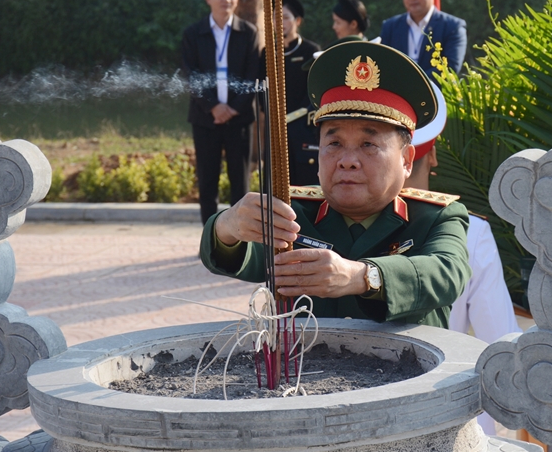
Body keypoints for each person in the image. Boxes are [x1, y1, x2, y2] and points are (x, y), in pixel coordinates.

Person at [200, 41, 471, 327]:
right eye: (334, 143)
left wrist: (361, 276)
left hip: (411, 369)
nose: (347, 161)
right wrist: (228, 226)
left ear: (406, 160)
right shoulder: (293, 214)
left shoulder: (436, 217)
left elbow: (447, 272)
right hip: (307, 368)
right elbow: (235, 254)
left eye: (368, 144)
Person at [402, 82, 521, 434]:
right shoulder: (471, 232)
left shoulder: (322, 225)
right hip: (449, 426)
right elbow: (499, 343)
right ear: (432, 156)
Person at [182, 0, 259, 225]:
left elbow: (252, 75)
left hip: (239, 120)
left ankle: (241, 241)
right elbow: (190, 75)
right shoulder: (193, 34)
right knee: (208, 183)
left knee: (241, 184)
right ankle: (211, 239)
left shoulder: (248, 32)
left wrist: (233, 108)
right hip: (206, 119)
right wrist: (214, 106)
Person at [380, 0, 467, 77]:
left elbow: (450, 68)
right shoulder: (390, 27)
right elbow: (383, 64)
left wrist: (415, 85)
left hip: (435, 92)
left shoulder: (453, 27)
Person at [279, 0, 321, 186]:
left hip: (303, 127)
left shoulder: (310, 51)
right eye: (275, 17)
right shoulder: (267, 54)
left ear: (297, 21)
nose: (280, 22)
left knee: (304, 183)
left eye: (285, 17)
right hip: (276, 130)